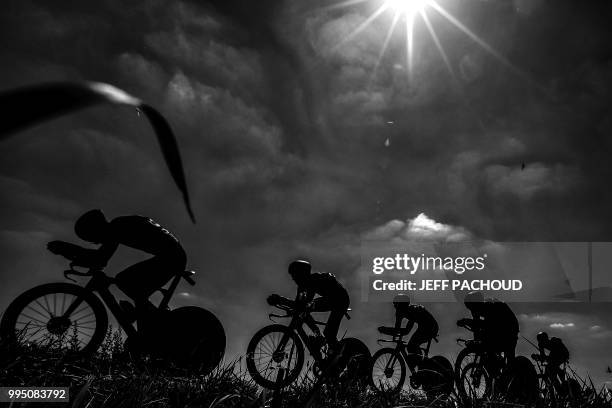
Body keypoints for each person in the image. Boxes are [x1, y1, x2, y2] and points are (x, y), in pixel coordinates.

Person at [47, 209, 186, 308]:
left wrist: (66, 249)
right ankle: (148, 321)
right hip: (174, 256)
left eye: (92, 239)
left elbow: (100, 259)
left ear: (95, 230)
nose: (96, 243)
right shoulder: (118, 225)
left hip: (172, 257)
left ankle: (154, 321)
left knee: (125, 281)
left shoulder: (117, 228)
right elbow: (100, 258)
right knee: (132, 287)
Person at [284, 259, 350, 350]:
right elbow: (298, 304)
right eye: (292, 276)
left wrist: (282, 300)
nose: (293, 279)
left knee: (328, 334)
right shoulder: (302, 286)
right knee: (304, 310)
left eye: (295, 275)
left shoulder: (312, 281)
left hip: (341, 300)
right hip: (331, 299)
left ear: (302, 274)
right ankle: (319, 335)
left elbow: (304, 304)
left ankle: (338, 351)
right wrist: (290, 306)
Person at [382, 294, 439, 373]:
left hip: (430, 326)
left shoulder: (412, 310)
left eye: (396, 305)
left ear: (401, 305)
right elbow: (403, 331)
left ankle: (422, 367)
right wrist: (387, 330)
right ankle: (421, 366)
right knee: (412, 347)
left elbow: (403, 331)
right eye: (394, 305)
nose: (395, 307)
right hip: (424, 326)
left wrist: (386, 330)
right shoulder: (401, 312)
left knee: (411, 346)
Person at [458, 291, 519, 364]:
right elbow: (477, 328)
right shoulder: (476, 309)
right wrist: (476, 341)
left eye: (471, 306)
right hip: (501, 327)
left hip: (509, 329)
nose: (471, 310)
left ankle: (503, 366)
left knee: (508, 358)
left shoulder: (490, 306)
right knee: (486, 343)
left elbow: (487, 325)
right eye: (468, 307)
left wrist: (468, 322)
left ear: (477, 303)